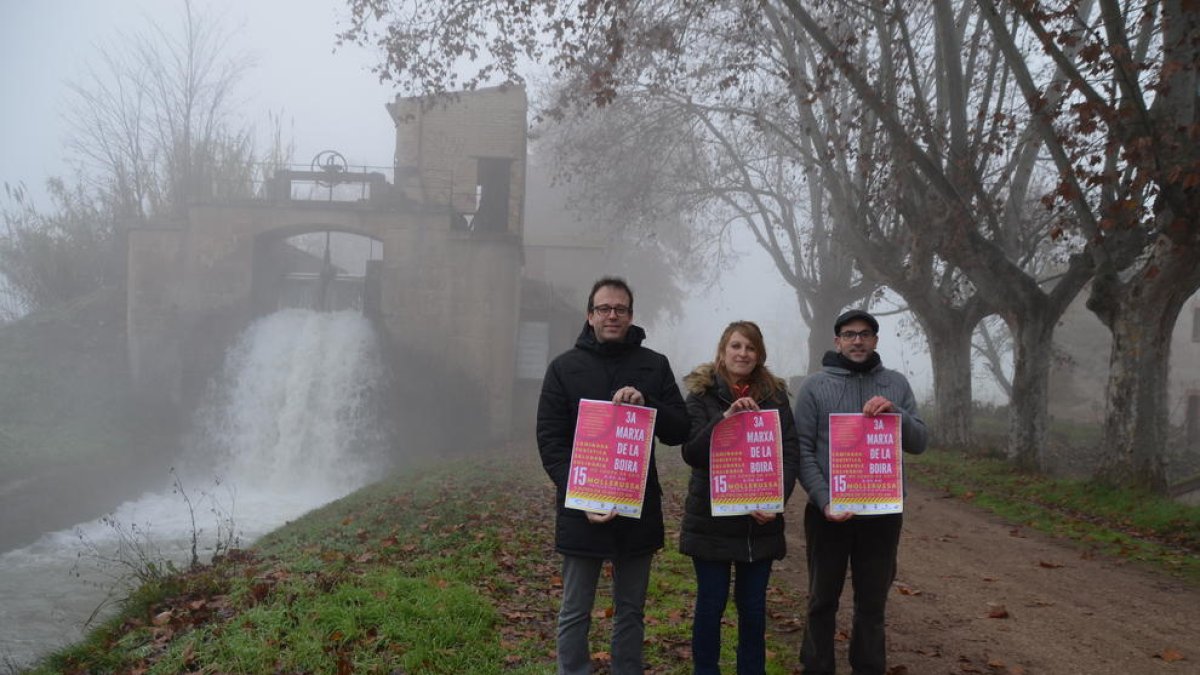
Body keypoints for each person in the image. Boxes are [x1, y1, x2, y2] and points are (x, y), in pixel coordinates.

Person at [537, 276, 690, 675]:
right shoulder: (563, 368)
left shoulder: (654, 365)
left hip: (637, 507)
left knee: (631, 610)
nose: (612, 315)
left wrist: (647, 403)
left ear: (631, 316)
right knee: (575, 609)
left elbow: (680, 430)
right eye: (604, 308)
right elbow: (551, 442)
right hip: (580, 508)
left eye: (620, 309)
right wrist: (578, 493)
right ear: (590, 316)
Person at [792, 309, 928, 675]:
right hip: (827, 514)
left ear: (875, 341)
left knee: (872, 603)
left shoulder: (896, 384)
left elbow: (920, 442)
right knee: (822, 599)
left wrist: (895, 414)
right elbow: (802, 450)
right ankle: (817, 667)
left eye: (865, 334)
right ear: (837, 341)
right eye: (850, 334)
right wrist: (825, 500)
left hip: (881, 514)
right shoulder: (814, 386)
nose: (857, 340)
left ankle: (868, 667)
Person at [679, 321, 801, 675]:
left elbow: (789, 453)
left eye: (750, 348)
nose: (743, 353)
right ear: (722, 351)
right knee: (710, 604)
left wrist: (776, 500)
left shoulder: (775, 397)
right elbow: (692, 452)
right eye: (736, 346)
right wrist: (726, 418)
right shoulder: (701, 394)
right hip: (711, 522)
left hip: (757, 525)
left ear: (759, 355)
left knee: (753, 608)